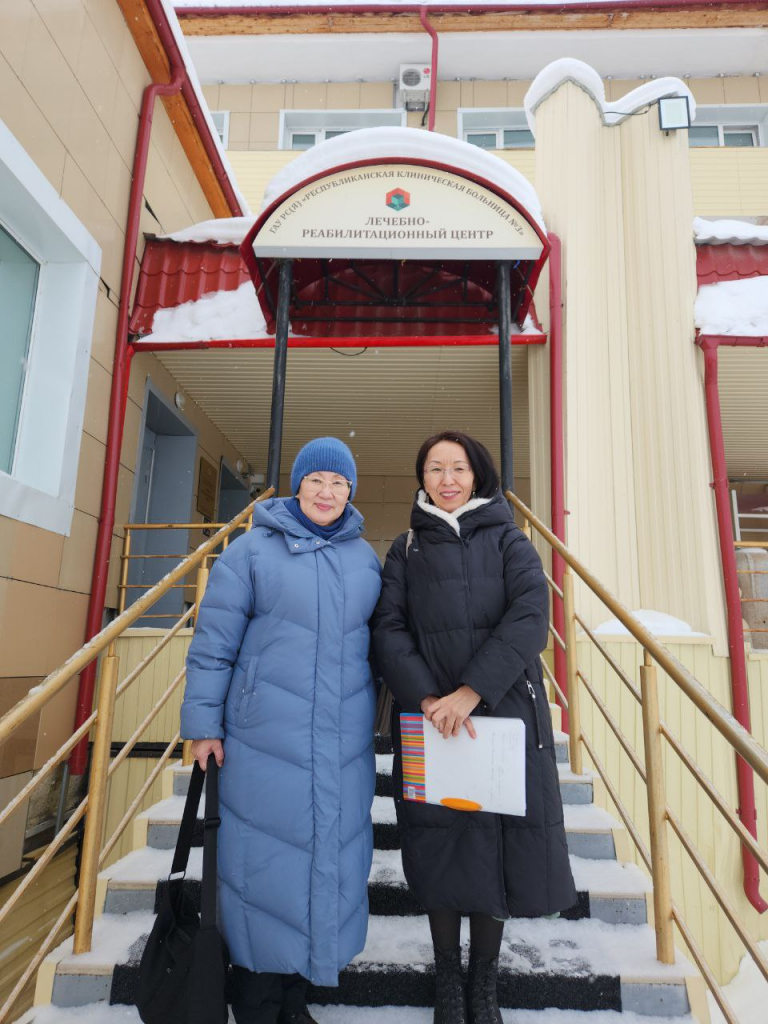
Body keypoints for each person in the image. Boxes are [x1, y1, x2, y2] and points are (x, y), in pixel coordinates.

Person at [371, 430, 576, 1024]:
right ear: (423, 479)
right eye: (435, 468)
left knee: (496, 844)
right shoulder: (406, 549)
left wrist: (470, 692)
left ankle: (483, 980)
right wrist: (430, 698)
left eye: (458, 467)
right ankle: (447, 979)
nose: (447, 479)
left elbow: (531, 617)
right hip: (431, 720)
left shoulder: (510, 540)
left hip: (502, 714)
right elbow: (388, 628)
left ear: (477, 474)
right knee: (438, 843)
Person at [181, 437, 382, 1024]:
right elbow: (213, 645)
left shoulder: (363, 560)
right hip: (263, 739)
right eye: (316, 480)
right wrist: (204, 726)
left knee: (324, 864)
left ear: (351, 492)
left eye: (339, 483)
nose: (327, 492)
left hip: (339, 744)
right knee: (263, 869)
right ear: (298, 486)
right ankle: (256, 1001)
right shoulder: (250, 552)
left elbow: (380, 644)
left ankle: (294, 997)